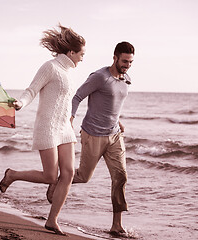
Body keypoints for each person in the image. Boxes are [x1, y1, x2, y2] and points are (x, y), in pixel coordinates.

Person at [0, 24, 86, 236]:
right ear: (71, 52)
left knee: (67, 174)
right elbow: (32, 90)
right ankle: (12, 175)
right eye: (81, 54)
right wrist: (20, 103)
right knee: (50, 176)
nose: (83, 58)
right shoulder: (51, 67)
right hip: (47, 127)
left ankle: (52, 220)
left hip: (65, 128)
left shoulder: (69, 72)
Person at [47, 41, 134, 237]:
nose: (127, 65)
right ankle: (58, 182)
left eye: (130, 62)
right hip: (93, 134)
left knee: (121, 177)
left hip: (114, 135)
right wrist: (70, 118)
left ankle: (116, 225)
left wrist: (117, 120)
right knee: (84, 177)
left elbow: (113, 102)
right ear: (115, 57)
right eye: (124, 61)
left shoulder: (126, 78)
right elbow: (77, 96)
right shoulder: (99, 77)